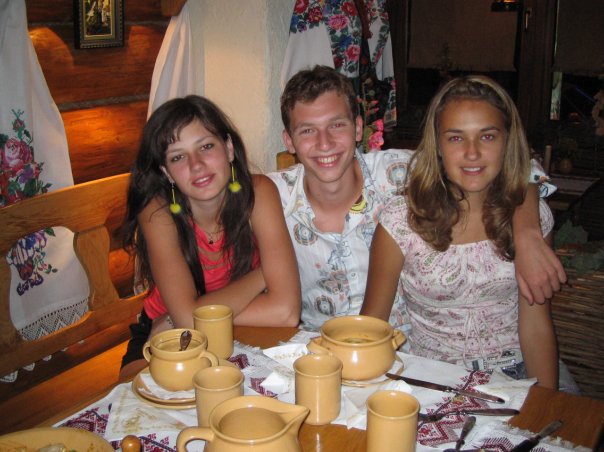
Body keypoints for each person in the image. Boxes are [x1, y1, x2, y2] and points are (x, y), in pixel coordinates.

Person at [268, 65, 566, 334]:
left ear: (358, 128)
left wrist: (527, 233)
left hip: (408, 352)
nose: (324, 143)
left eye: (336, 125)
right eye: (308, 130)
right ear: (288, 141)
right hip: (316, 348)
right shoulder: (273, 198)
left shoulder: (401, 172)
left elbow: (520, 167)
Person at [361, 75, 559, 388]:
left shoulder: (531, 220)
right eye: (455, 138)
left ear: (507, 142)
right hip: (432, 380)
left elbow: (536, 326)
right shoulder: (401, 222)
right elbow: (371, 327)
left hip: (515, 375)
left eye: (487, 136)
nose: (472, 152)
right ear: (438, 146)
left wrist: (546, 403)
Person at [120, 95, 301, 379]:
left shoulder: (259, 192)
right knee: (135, 396)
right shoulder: (157, 212)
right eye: (178, 157)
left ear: (228, 148)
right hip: (167, 338)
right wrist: (264, 276)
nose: (197, 165)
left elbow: (286, 312)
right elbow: (187, 321)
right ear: (167, 172)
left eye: (206, 146)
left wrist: (188, 316)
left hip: (236, 327)